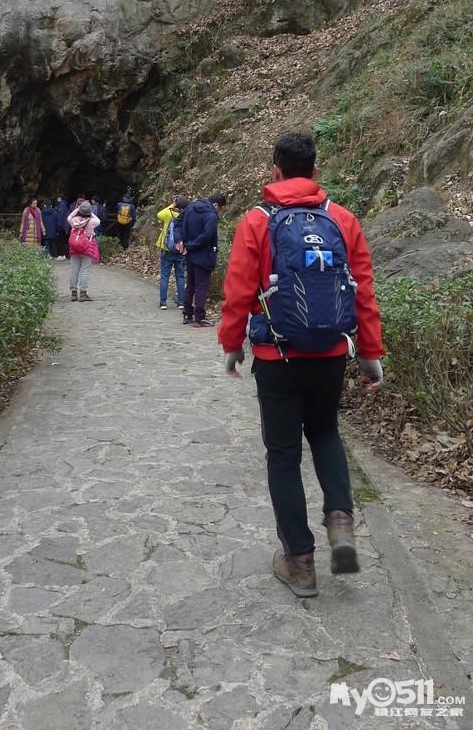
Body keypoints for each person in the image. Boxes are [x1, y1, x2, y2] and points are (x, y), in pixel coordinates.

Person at [218, 132, 384, 599]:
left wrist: (232, 345)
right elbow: (362, 290)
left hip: (278, 356)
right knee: (326, 433)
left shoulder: (257, 220)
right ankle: (341, 523)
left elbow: (239, 290)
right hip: (330, 354)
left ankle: (300, 562)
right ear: (315, 171)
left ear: (275, 170)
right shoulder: (343, 219)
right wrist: (370, 353)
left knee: (284, 455)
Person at [175, 193, 226, 327]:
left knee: (190, 284)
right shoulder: (211, 215)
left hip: (189, 254)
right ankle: (199, 317)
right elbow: (207, 235)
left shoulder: (190, 208)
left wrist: (180, 240)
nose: (219, 211)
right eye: (220, 208)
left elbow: (177, 223)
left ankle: (187, 314)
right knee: (201, 286)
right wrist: (190, 246)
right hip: (203, 254)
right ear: (216, 205)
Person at [155, 195, 188, 310]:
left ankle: (163, 302)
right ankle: (181, 302)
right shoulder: (186, 216)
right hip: (180, 249)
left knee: (165, 276)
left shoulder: (168, 214)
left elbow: (159, 215)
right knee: (180, 276)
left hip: (166, 249)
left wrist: (172, 205)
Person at [67, 199, 100, 301]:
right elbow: (98, 220)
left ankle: (73, 293)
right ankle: (83, 294)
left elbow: (69, 217)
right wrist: (90, 213)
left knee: (74, 270)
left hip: (74, 248)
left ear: (79, 211)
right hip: (86, 249)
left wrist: (77, 209)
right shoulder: (92, 222)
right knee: (85, 271)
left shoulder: (74, 221)